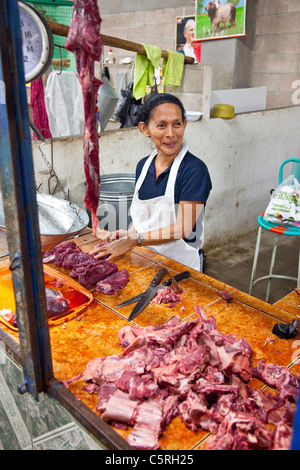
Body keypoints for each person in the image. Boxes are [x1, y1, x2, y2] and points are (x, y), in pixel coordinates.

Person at [90, 93, 212, 272]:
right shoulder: (143, 165)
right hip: (145, 260)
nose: (170, 134)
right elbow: (144, 217)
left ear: (184, 124)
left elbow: (183, 229)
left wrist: (133, 241)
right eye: (161, 125)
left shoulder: (194, 170)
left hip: (180, 268)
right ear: (145, 129)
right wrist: (128, 234)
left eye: (177, 124)